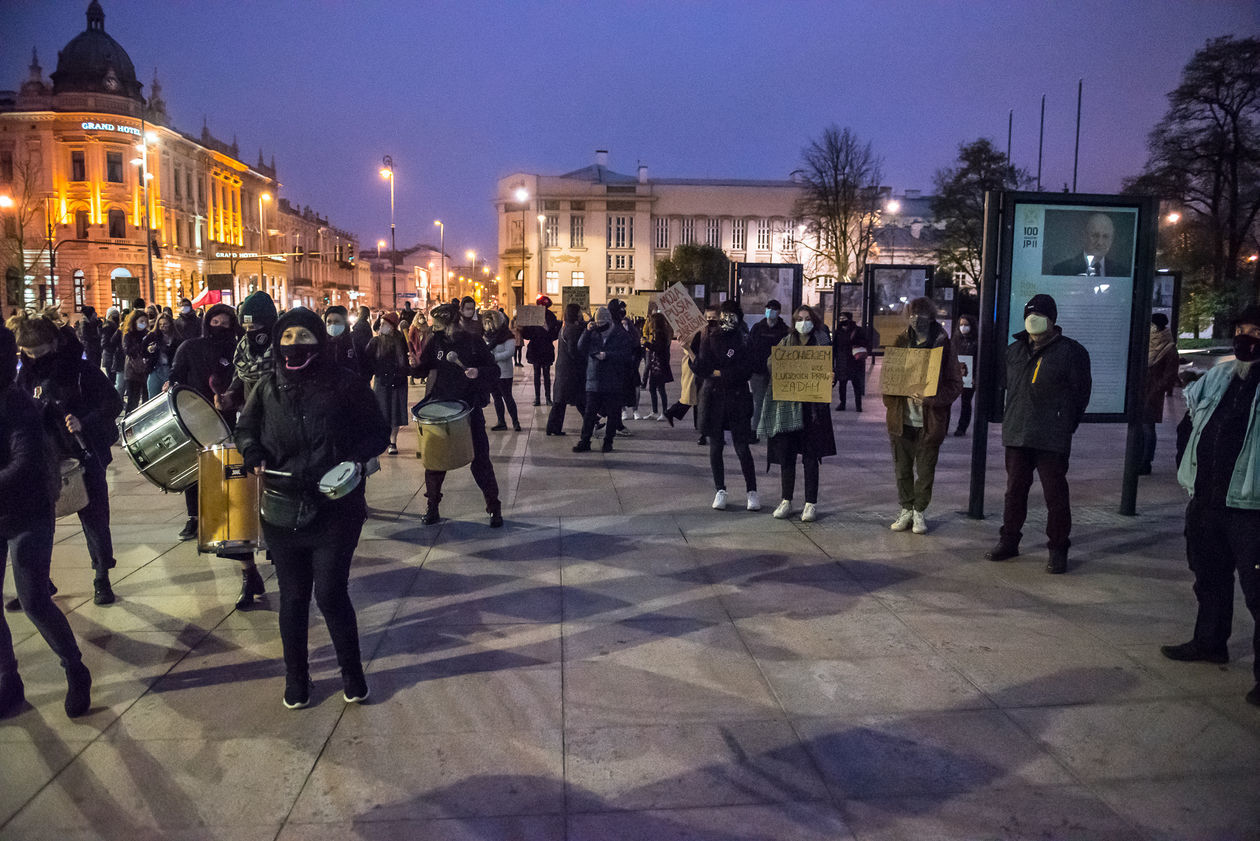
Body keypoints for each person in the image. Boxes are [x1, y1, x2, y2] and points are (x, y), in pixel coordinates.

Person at [236, 307, 389, 709]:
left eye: (303, 338)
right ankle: (296, 678)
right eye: (286, 339)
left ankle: (352, 675)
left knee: (331, 592)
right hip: (282, 509)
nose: (293, 347)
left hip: (335, 509)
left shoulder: (347, 385)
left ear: (320, 340)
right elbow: (246, 429)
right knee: (293, 596)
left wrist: (354, 460)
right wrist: (251, 451)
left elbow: (377, 431)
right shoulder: (267, 387)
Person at [1161, 304, 1260, 707]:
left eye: (1255, 331)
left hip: (1250, 507)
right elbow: (1190, 427)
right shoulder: (1219, 377)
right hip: (1206, 500)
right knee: (1208, 577)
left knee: (1257, 592)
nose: (1245, 337)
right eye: (1241, 329)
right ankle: (1209, 642)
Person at [0, 326, 92, 719]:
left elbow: (24, 465)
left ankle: (75, 667)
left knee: (34, 599)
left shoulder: (16, 403)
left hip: (28, 510)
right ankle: (9, 682)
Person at [8, 310, 123, 607]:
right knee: (39, 526)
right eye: (28, 354)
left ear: (55, 344)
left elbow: (113, 402)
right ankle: (39, 584)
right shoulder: (24, 374)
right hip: (42, 459)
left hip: (82, 454)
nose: (34, 359)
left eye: (41, 352)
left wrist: (84, 420)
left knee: (95, 518)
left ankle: (101, 577)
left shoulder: (82, 371)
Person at [985, 293, 1092, 573]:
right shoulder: (1014, 350)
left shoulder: (1071, 352)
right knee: (1014, 492)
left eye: (1039, 314)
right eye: (1029, 314)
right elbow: (1005, 385)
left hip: (1051, 437)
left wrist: (1065, 423)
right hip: (1018, 433)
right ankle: (1009, 540)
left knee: (1055, 495)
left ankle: (1058, 549)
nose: (1033, 319)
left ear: (1053, 319)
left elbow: (1081, 394)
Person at [412, 303, 503, 527]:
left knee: (480, 462)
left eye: (440, 325)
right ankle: (432, 507)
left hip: (468, 410)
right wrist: (412, 366)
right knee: (434, 463)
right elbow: (424, 368)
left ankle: (494, 508)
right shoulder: (436, 342)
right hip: (440, 408)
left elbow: (495, 371)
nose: (436, 329)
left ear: (452, 322)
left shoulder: (473, 342)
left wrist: (478, 372)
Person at [884, 297, 963, 535]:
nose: (916, 319)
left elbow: (954, 384)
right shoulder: (900, 342)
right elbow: (888, 381)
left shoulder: (943, 346)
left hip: (929, 422)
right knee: (902, 470)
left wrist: (931, 400)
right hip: (901, 420)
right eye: (912, 314)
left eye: (921, 314)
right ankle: (906, 509)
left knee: (926, 471)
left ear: (931, 317)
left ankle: (919, 511)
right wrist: (893, 400)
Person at [759, 306, 836, 522]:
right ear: (794, 322)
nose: (803, 322)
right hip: (788, 408)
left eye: (807, 318)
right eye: (799, 319)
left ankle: (810, 503)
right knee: (787, 457)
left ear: (815, 321)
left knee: (811, 458)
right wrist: (777, 364)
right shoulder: (786, 341)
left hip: (812, 411)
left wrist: (831, 376)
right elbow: (770, 364)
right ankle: (786, 499)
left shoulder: (822, 342)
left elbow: (831, 370)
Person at [693, 300, 759, 511]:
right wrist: (692, 356)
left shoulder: (744, 340)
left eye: (732, 314)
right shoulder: (709, 337)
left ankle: (752, 491)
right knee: (716, 446)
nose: (727, 319)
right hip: (714, 398)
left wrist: (720, 372)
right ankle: (720, 490)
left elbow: (746, 369)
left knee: (742, 446)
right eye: (724, 314)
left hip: (737, 398)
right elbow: (703, 366)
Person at [573, 306, 636, 453]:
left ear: (609, 321)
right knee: (589, 414)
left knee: (613, 414)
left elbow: (627, 355)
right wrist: (587, 331)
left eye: (603, 324)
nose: (601, 327)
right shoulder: (593, 332)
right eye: (598, 324)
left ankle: (608, 441)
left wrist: (607, 355)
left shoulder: (620, 334)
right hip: (593, 379)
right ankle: (585, 441)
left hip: (613, 380)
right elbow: (581, 347)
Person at [365, 311, 409, 454]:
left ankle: (393, 442)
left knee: (395, 413)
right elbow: (367, 361)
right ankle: (382, 440)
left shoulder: (401, 341)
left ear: (392, 326)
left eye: (385, 324)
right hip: (382, 382)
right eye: (381, 324)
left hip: (398, 382)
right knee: (382, 413)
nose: (381, 326)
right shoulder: (375, 342)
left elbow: (407, 361)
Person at [1141, 313, 1179, 474]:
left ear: (1157, 327)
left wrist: (1156, 389)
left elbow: (1170, 375)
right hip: (1140, 392)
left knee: (1148, 428)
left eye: (1151, 325)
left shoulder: (1169, 348)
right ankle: (1139, 459)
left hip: (1152, 394)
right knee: (1140, 428)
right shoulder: (1146, 344)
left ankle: (1145, 462)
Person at [748, 299, 790, 434]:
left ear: (779, 312)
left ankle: (773, 429)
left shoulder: (784, 330)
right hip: (758, 371)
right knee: (759, 402)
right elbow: (749, 347)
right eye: (768, 308)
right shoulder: (757, 328)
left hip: (777, 373)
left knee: (775, 402)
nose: (771, 311)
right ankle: (755, 430)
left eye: (774, 309)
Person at [546, 303, 586, 436]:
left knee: (562, 399)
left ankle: (553, 427)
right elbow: (573, 350)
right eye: (579, 312)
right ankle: (552, 427)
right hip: (570, 369)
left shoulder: (565, 327)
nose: (581, 314)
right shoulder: (572, 330)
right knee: (567, 398)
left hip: (564, 368)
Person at [1051, 212, 1130, 277]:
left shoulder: (1122, 272)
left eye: (1105, 236)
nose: (1100, 242)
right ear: (1084, 236)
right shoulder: (1062, 270)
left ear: (1112, 240)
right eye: (1095, 235)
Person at [482, 309, 521, 431]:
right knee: (497, 398)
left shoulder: (506, 335)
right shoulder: (486, 336)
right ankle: (501, 422)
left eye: (491, 323)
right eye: (487, 323)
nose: (490, 326)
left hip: (504, 372)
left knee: (507, 396)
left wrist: (494, 357)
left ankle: (515, 422)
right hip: (492, 372)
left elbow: (510, 352)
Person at [524, 295, 559, 406]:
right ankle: (537, 398)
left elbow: (555, 333)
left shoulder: (551, 316)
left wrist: (548, 332)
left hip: (547, 348)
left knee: (547, 374)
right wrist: (522, 329)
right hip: (535, 349)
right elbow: (527, 334)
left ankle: (548, 398)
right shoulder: (532, 316)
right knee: (536, 374)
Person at [832, 311, 869, 412]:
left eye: (843, 318)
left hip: (854, 362)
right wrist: (833, 362)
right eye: (840, 319)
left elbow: (866, 343)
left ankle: (858, 405)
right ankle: (842, 403)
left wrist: (855, 344)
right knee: (842, 384)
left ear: (849, 319)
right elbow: (834, 347)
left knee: (856, 384)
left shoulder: (858, 330)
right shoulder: (838, 332)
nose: (841, 321)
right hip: (842, 361)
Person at [641, 311, 674, 421]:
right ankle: (655, 411)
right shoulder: (658, 333)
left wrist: (646, 344)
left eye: (652, 321)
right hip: (656, 365)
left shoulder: (660, 333)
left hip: (660, 366)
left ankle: (664, 412)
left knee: (660, 389)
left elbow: (658, 348)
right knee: (653, 388)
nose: (650, 323)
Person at [120, 309, 153, 412]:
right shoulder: (128, 335)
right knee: (133, 400)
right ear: (134, 322)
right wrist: (142, 345)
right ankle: (129, 424)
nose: (144, 324)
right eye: (141, 321)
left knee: (146, 399)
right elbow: (128, 350)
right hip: (132, 371)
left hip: (145, 370)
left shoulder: (148, 334)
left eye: (145, 321)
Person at [952, 313, 978, 436]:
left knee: (966, 402)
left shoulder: (977, 342)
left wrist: (975, 377)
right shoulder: (956, 341)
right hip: (956, 375)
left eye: (966, 325)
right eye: (961, 325)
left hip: (969, 377)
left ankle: (961, 428)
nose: (963, 327)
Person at [146, 311, 180, 402]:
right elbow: (143, 349)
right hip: (156, 369)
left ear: (170, 324)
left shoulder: (176, 338)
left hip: (170, 370)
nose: (162, 327)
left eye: (165, 324)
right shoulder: (153, 336)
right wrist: (149, 349)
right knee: (153, 398)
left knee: (170, 398)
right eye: (160, 324)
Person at [323, 305, 360, 375]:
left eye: (337, 321)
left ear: (344, 323)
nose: (332, 325)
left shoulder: (353, 341)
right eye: (329, 321)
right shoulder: (321, 343)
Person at [350, 305, 374, 382]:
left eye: (358, 311)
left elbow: (358, 341)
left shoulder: (361, 324)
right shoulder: (365, 324)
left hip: (361, 357)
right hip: (365, 357)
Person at [76, 305, 103, 370]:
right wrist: (98, 337)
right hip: (90, 351)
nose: (95, 314)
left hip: (93, 350)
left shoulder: (92, 322)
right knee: (93, 368)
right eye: (94, 312)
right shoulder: (84, 324)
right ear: (90, 314)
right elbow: (86, 337)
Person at [100, 306, 121, 378]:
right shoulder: (108, 326)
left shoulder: (115, 326)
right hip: (110, 358)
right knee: (113, 380)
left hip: (111, 358)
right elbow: (104, 344)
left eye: (117, 316)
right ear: (109, 316)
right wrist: (114, 349)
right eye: (114, 316)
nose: (116, 318)